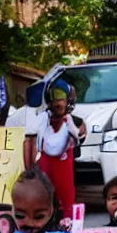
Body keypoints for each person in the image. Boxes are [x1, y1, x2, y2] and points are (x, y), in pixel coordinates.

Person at [36, 80, 85, 221]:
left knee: (66, 202)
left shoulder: (75, 122)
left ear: (68, 100)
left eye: (61, 99)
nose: (58, 104)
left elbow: (78, 141)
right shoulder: (42, 122)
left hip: (64, 171)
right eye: (54, 99)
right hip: (45, 170)